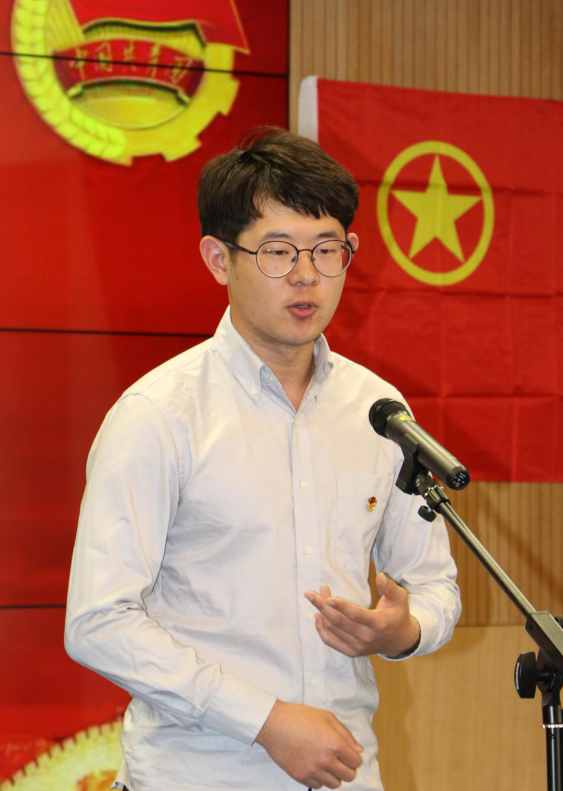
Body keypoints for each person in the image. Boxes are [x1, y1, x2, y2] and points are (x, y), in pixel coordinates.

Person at [65, 129, 461, 791]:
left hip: (345, 772)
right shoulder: (158, 415)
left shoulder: (378, 410)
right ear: (219, 259)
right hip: (199, 774)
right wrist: (266, 721)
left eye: (327, 250)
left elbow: (434, 584)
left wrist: (401, 631)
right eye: (278, 251)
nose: (306, 276)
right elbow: (97, 622)